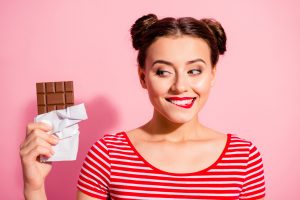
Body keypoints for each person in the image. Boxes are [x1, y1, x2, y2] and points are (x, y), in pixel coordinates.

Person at [20, 13, 266, 199]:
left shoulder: (243, 158)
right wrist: (35, 186)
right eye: (163, 71)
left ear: (212, 74)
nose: (180, 86)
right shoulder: (107, 155)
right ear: (142, 76)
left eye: (194, 70)